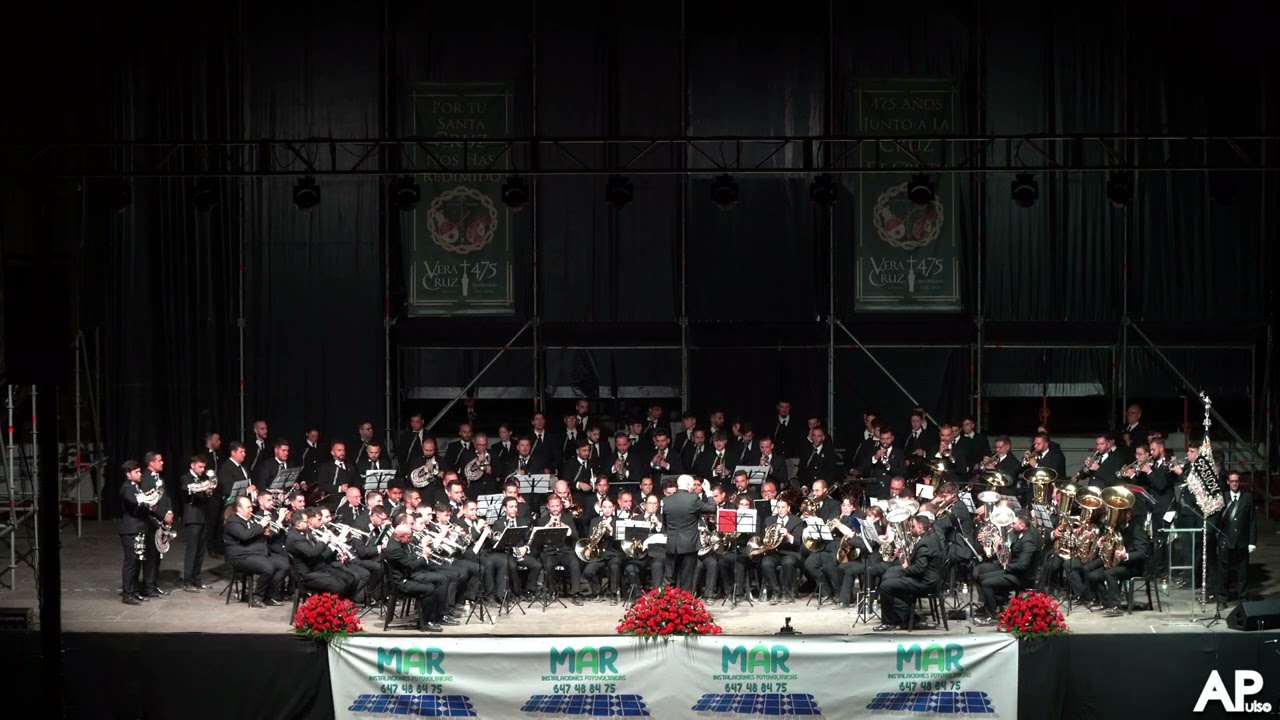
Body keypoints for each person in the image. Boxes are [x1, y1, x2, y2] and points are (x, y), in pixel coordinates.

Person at [973, 511, 1042, 623]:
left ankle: (992, 615)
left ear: (1022, 526)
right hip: (1013, 570)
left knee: (986, 583)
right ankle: (995, 603)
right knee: (981, 575)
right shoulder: (1021, 534)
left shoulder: (1028, 540)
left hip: (1021, 577)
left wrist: (1006, 566)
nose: (1011, 525)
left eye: (1013, 523)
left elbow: (1023, 565)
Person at [875, 514, 942, 631]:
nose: (910, 530)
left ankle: (890, 621)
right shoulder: (931, 537)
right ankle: (905, 617)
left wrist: (906, 567)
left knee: (885, 586)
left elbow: (919, 569)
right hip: (928, 577)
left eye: (913, 527)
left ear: (920, 528)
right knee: (889, 574)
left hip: (926, 582)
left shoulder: (925, 543)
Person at [383, 523, 449, 632]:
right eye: (408, 537)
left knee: (433, 585)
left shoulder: (398, 543)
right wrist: (424, 557)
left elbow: (408, 558)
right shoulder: (394, 549)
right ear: (399, 537)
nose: (410, 539)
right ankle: (426, 621)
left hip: (405, 577)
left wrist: (421, 554)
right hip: (401, 583)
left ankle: (432, 617)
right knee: (430, 589)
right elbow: (411, 566)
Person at [223, 496, 286, 607]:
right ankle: (256, 597)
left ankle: (269, 595)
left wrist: (265, 531)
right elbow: (244, 536)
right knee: (268, 567)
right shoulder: (233, 522)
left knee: (283, 565)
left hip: (256, 554)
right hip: (241, 557)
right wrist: (260, 525)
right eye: (248, 507)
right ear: (239, 508)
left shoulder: (251, 520)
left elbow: (256, 534)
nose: (251, 510)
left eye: (251, 507)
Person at [661, 475, 716, 591]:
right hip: (689, 545)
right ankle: (684, 606)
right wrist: (708, 492)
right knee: (687, 580)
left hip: (672, 544)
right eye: (692, 485)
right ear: (687, 485)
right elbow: (712, 508)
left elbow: (665, 524)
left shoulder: (666, 500)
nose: (693, 488)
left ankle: (665, 605)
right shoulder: (693, 499)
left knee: (669, 579)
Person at [1212, 473, 1257, 608]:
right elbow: (1217, 521)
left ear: (1240, 482)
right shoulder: (1223, 498)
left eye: (1237, 481)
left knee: (1243, 573)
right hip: (1226, 541)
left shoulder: (1247, 498)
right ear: (1227, 482)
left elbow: (1252, 521)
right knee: (1223, 573)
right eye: (1232, 481)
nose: (1234, 484)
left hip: (1242, 541)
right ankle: (1222, 599)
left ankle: (1243, 598)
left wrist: (1252, 542)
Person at [180, 455, 216, 592]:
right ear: (192, 465)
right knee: (192, 550)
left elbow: (204, 496)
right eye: (200, 467)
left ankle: (197, 579)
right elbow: (187, 488)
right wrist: (204, 487)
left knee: (201, 551)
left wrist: (208, 492)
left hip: (203, 518)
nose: (202, 470)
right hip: (192, 518)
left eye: (203, 467)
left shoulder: (202, 479)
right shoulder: (186, 477)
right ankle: (187, 581)